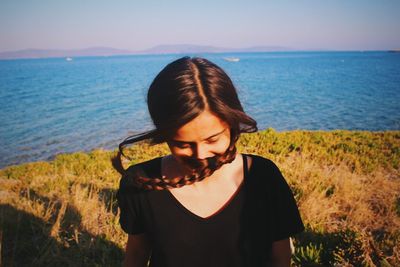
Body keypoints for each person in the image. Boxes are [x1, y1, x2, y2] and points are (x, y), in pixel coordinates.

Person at [114, 56, 304, 267]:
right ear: (164, 134)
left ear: (232, 124)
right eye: (183, 144)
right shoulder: (140, 181)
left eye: (212, 139)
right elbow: (136, 255)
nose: (200, 154)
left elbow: (280, 257)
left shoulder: (263, 177)